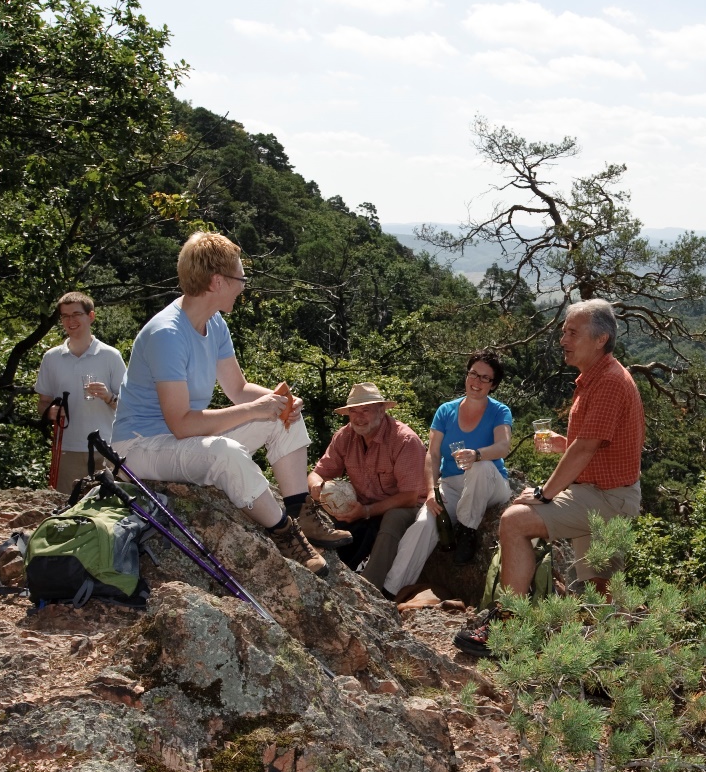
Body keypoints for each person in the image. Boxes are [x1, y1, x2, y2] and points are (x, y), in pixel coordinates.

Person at [108, 231, 331, 573]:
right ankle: (285, 534)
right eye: (240, 278)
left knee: (283, 412)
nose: (243, 285)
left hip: (181, 439)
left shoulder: (214, 323)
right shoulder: (166, 335)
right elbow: (181, 424)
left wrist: (278, 402)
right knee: (226, 454)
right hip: (141, 447)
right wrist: (256, 408)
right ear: (217, 281)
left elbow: (238, 389)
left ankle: (299, 507)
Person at [454, 298, 645, 658]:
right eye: (563, 331)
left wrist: (545, 493)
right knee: (597, 592)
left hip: (606, 497)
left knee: (514, 522)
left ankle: (509, 628)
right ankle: (608, 664)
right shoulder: (597, 377)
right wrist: (564, 444)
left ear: (600, 338)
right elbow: (593, 443)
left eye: (572, 332)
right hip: (607, 494)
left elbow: (586, 449)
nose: (563, 339)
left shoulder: (608, 382)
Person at [308, 383, 428, 593]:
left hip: (406, 506)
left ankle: (371, 589)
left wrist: (367, 511)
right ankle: (322, 573)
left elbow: (410, 496)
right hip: (363, 506)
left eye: (365, 410)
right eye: (353, 411)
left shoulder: (404, 440)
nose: (358, 417)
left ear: (381, 411)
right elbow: (317, 473)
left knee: (392, 519)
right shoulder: (345, 436)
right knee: (312, 507)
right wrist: (318, 487)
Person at [425, 352, 514, 565]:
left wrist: (477, 455)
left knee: (480, 467)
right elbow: (433, 453)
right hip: (452, 486)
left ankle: (466, 531)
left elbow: (504, 446)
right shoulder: (445, 411)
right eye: (474, 374)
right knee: (423, 524)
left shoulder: (499, 411)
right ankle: (391, 588)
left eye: (485, 378)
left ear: (493, 385)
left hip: (492, 485)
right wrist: (430, 490)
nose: (477, 381)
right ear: (466, 376)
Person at [35, 291, 126, 490]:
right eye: (65, 316)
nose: (70, 320)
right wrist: (49, 412)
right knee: (65, 509)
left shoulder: (111, 356)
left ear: (91, 316)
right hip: (66, 449)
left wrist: (108, 397)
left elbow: (129, 407)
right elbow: (43, 403)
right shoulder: (51, 358)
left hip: (106, 448)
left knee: (105, 511)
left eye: (76, 314)